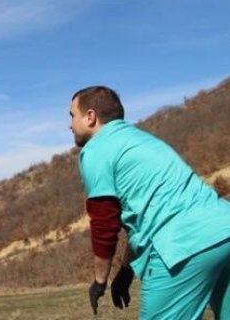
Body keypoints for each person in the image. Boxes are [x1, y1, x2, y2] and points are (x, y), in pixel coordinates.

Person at [69, 85, 230, 319]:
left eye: (72, 116)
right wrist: (125, 270)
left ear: (90, 116)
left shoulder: (96, 150)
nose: (70, 124)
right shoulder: (141, 142)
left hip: (183, 246)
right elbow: (146, 219)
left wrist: (99, 280)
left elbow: (104, 221)